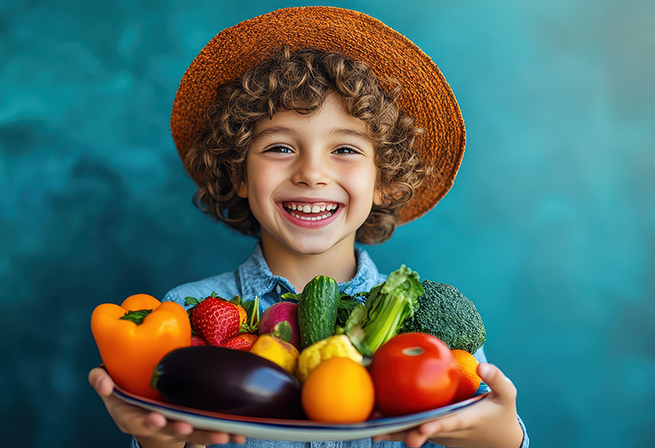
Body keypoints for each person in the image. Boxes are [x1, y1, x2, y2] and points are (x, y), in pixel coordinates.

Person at [89, 6, 528, 448]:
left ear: (384, 179)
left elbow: (478, 422)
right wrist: (158, 441)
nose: (312, 172)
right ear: (239, 174)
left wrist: (500, 437)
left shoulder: (427, 330)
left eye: (345, 149)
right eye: (280, 147)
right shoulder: (183, 313)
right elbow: (168, 426)